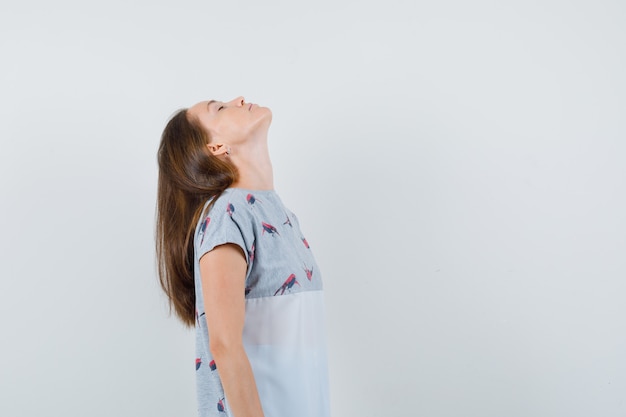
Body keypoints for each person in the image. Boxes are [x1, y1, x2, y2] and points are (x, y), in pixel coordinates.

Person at [155, 96, 331, 417]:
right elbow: (224, 346)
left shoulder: (283, 216)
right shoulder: (228, 214)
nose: (238, 99)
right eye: (219, 108)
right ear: (216, 149)